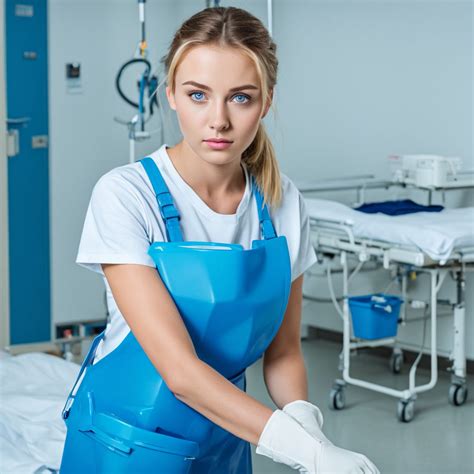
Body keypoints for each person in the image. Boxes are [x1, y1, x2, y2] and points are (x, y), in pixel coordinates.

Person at [60, 6, 380, 474]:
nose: (218, 121)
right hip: (127, 443)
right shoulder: (127, 194)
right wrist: (303, 450)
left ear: (266, 101)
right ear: (170, 94)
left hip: (229, 437)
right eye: (197, 95)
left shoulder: (281, 201)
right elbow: (181, 373)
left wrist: (306, 427)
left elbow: (285, 352)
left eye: (241, 98)